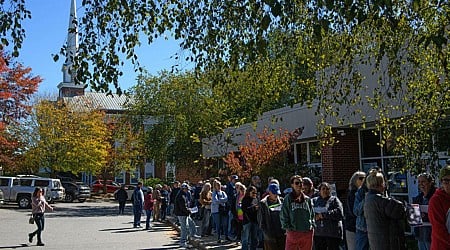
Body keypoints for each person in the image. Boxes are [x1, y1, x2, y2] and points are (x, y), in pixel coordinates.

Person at [364, 169, 406, 250]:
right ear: (381, 184)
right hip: (388, 243)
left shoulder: (368, 199)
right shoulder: (381, 201)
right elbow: (400, 210)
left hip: (376, 242)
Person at [280, 175, 315, 250]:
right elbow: (283, 214)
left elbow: (312, 214)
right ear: (292, 185)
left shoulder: (307, 199)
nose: (299, 185)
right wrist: (288, 228)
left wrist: (312, 225)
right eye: (297, 183)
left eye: (301, 183)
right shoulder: (288, 198)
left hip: (306, 231)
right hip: (293, 231)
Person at [312, 182, 344, 250]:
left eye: (327, 189)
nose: (325, 190)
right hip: (318, 234)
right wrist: (314, 216)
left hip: (333, 234)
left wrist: (323, 215)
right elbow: (309, 213)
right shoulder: (314, 201)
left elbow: (339, 213)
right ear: (319, 190)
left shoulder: (334, 200)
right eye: (323, 189)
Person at [258, 183, 285, 250]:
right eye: (274, 193)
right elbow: (261, 221)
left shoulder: (282, 201)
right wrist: (267, 234)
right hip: (270, 237)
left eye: (277, 193)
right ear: (269, 192)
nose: (276, 195)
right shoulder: (263, 204)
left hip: (282, 234)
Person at [412, 173, 436, 250]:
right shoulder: (418, 198)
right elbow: (414, 220)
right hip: (421, 235)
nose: (420, 184)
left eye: (423, 181)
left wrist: (425, 216)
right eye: (419, 182)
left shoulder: (436, 197)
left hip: (432, 236)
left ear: (430, 182)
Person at [428, 165, 450, 250]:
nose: (449, 184)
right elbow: (439, 230)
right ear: (441, 183)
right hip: (441, 246)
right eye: (446, 181)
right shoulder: (436, 200)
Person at [344, 171, 366, 250]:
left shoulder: (363, 193)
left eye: (365, 178)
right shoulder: (352, 194)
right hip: (352, 227)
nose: (363, 180)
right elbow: (352, 211)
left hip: (362, 227)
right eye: (361, 178)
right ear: (355, 180)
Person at [353, 174, 369, 250]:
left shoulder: (382, 191)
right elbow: (356, 211)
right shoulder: (361, 192)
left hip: (377, 227)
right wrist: (365, 199)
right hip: (363, 228)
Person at [174, 183, 192, 248]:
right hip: (182, 213)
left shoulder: (182, 194)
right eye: (186, 189)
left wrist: (188, 210)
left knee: (185, 227)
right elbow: (183, 206)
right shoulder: (181, 196)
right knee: (184, 228)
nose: (187, 190)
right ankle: (183, 241)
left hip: (182, 213)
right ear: (183, 189)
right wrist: (189, 211)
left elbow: (185, 205)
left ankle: (184, 241)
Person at [242, 186, 259, 250]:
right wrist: (254, 208)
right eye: (253, 193)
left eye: (256, 193)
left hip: (255, 221)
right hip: (247, 221)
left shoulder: (256, 199)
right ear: (249, 192)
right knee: (245, 239)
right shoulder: (245, 199)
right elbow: (245, 210)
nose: (255, 194)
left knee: (254, 239)